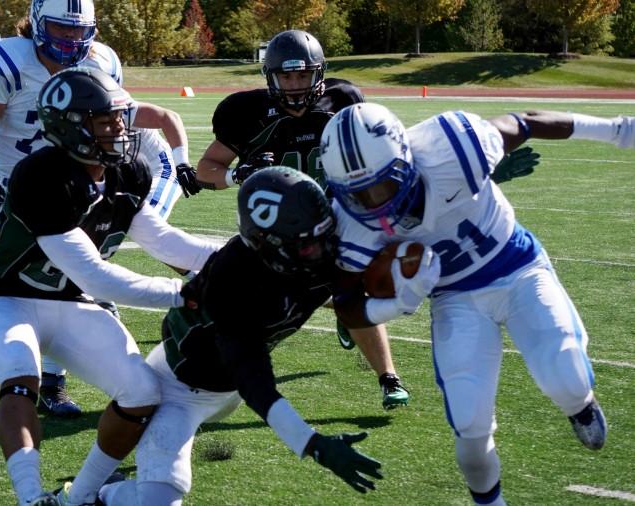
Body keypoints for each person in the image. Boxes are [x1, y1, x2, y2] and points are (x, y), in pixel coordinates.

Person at [319, 102, 634, 505]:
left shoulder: (452, 145)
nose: (373, 204)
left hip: (517, 266)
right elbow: (344, 302)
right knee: (469, 428)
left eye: (381, 187)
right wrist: (396, 306)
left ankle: (580, 407)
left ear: (405, 159)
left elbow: (527, 122)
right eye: (357, 195)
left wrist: (620, 130)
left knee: (566, 376)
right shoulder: (349, 221)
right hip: (455, 298)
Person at [0, 68, 218, 506]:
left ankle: (80, 497)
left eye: (119, 118)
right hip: (7, 299)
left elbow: (165, 241)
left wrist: (239, 259)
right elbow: (95, 276)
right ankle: (30, 498)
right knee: (21, 375)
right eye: (105, 121)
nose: (119, 129)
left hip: (72, 303)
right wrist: (180, 293)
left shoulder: (128, 172)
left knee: (143, 391)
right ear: (70, 126)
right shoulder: (41, 175)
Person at [93, 167, 383, 506]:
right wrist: (310, 442)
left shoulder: (320, 242)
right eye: (306, 246)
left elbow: (357, 294)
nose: (321, 252)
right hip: (178, 389)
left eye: (324, 236)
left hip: (225, 387)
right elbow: (253, 376)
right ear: (268, 245)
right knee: (159, 500)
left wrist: (409, 288)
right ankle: (105, 494)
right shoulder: (232, 279)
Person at [0, 0, 192, 416]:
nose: (71, 38)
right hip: (18, 179)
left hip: (75, 177)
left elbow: (118, 115)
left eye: (79, 29)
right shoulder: (8, 61)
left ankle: (53, 378)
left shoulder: (103, 60)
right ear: (36, 23)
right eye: (61, 29)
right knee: (4, 280)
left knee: (76, 273)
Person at [188, 29, 409, 410]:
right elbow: (206, 168)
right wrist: (236, 175)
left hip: (336, 218)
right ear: (270, 77)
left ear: (319, 73)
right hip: (275, 231)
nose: (294, 85)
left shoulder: (343, 102)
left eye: (302, 75)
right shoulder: (247, 113)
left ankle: (388, 377)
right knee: (252, 307)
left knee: (355, 290)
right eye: (286, 76)